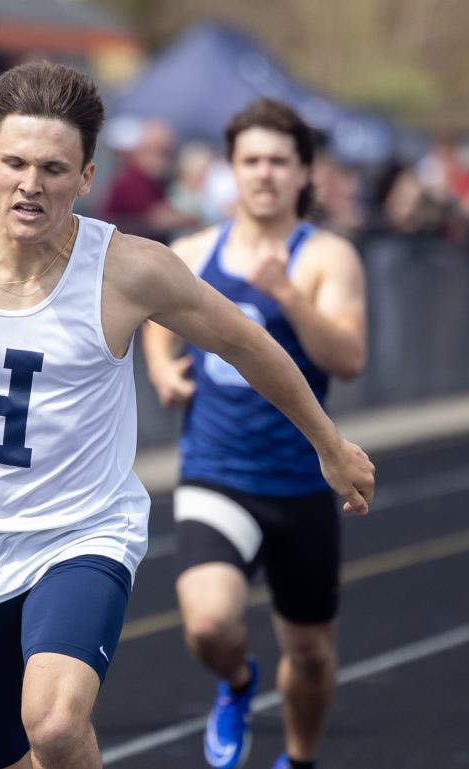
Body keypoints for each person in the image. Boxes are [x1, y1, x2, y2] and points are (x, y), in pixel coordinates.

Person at [0, 63, 374, 769]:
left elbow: (245, 341)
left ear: (85, 176)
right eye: (14, 161)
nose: (30, 183)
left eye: (53, 167)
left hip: (80, 535)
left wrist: (330, 444)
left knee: (52, 721)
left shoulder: (128, 270)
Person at [143, 98, 369, 769]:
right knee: (208, 623)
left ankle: (299, 759)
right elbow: (157, 316)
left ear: (305, 173)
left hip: (300, 481)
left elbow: (348, 358)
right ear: (230, 170)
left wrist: (290, 296)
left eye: (279, 161)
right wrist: (162, 368)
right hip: (217, 470)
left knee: (310, 653)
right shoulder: (192, 251)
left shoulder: (327, 256)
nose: (264, 174)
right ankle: (237, 682)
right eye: (251, 161)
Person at [99, 118, 201, 242]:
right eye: (159, 152)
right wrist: (194, 220)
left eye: (168, 152)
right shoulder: (131, 180)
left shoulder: (152, 180)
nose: (165, 160)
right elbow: (159, 218)